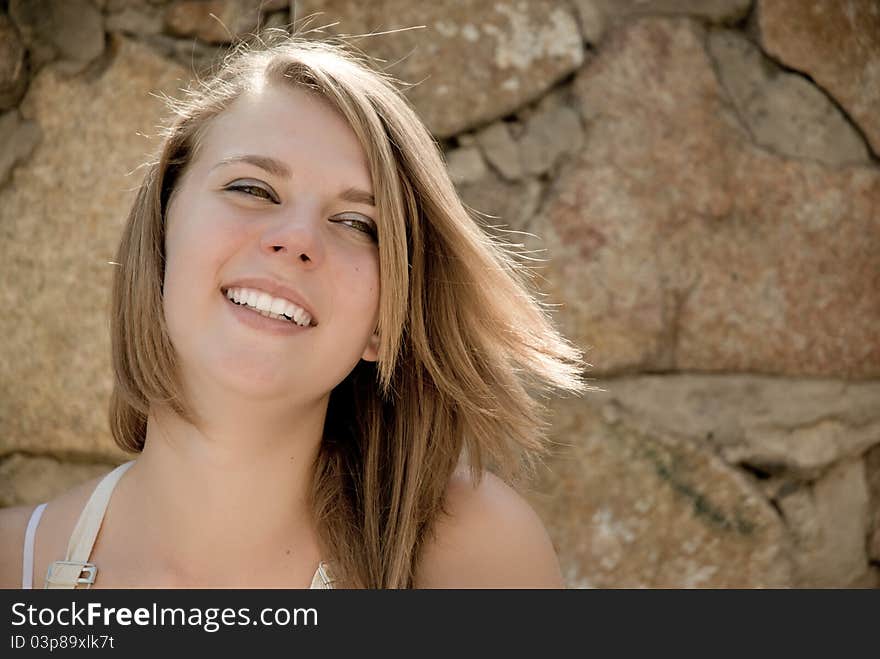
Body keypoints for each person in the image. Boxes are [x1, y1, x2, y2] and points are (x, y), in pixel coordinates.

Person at [0, 30, 588, 589]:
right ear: (159, 237)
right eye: (252, 189)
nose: (298, 238)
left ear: (385, 325)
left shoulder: (476, 562)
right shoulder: (12, 566)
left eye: (357, 223)